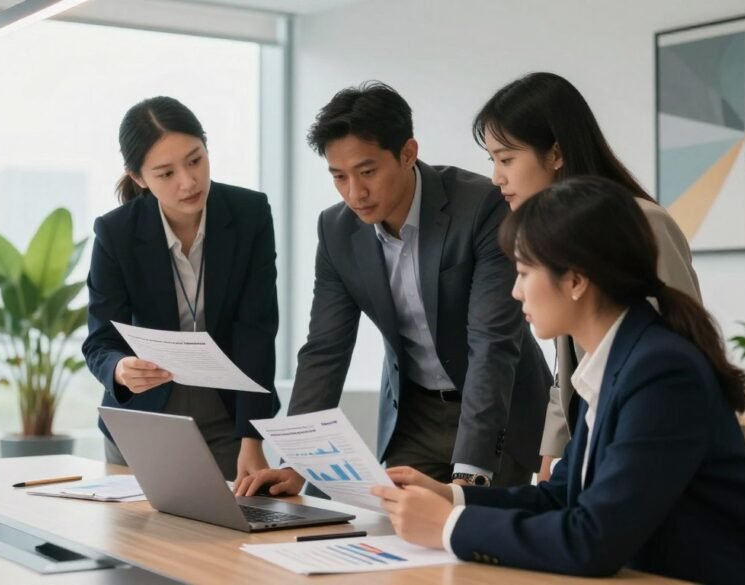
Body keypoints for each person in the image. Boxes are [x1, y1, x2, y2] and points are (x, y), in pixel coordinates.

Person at [372, 177, 745, 583]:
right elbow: (561, 497)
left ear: (574, 279)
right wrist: (451, 496)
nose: (515, 292)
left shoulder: (661, 371)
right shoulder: (614, 360)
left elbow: (593, 541)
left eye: (523, 272)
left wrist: (449, 526)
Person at [235, 81, 550, 497]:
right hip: (413, 417)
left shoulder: (481, 207)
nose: (355, 193)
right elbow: (325, 349)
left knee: (475, 544)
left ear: (407, 153)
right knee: (398, 541)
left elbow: (491, 344)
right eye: (339, 177)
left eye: (367, 172)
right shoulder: (336, 230)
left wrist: (468, 478)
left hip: (498, 414)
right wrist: (298, 461)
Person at [474, 71, 702, 481]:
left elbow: (678, 356)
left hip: (648, 453)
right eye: (491, 160)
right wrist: (549, 466)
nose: (496, 178)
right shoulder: (558, 237)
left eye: (506, 159)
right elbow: (572, 372)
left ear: (556, 154)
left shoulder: (642, 224)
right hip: (593, 453)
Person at [82, 96, 279, 482]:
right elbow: (99, 342)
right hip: (143, 420)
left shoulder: (250, 213)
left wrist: (252, 438)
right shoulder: (116, 232)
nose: (188, 182)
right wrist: (121, 370)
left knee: (224, 537)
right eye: (166, 173)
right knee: (138, 542)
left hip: (227, 415)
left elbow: (257, 331)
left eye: (195, 160)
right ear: (139, 177)